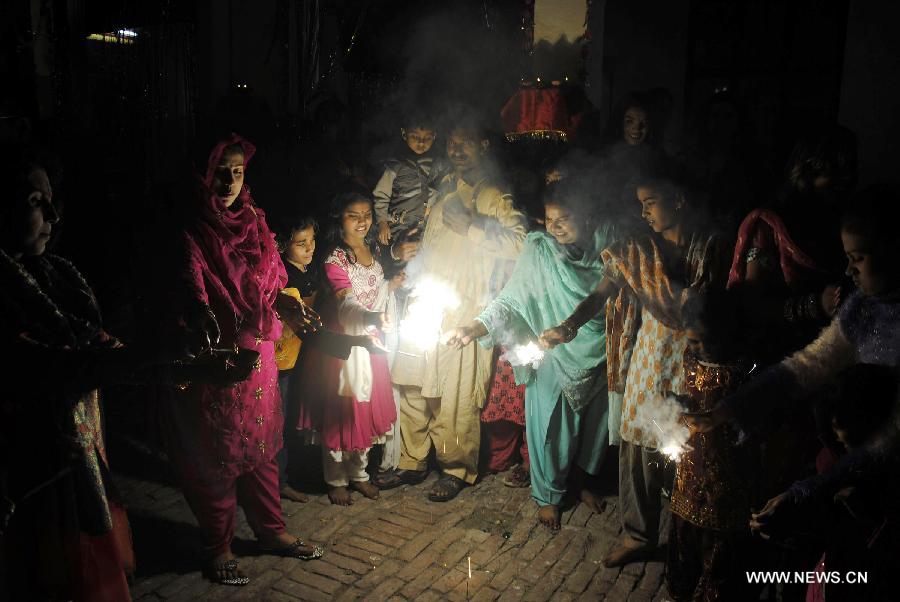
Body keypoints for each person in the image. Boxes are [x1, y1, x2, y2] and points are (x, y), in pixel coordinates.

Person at [686, 188, 900, 600]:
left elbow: (888, 441)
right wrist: (729, 409)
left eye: (859, 259)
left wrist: (807, 491)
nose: (849, 272)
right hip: (846, 458)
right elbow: (808, 366)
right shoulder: (862, 307)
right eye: (847, 259)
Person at [159, 133, 323, 587]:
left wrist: (288, 306)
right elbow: (190, 286)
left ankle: (271, 532)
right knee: (215, 456)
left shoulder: (253, 220)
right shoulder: (192, 229)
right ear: (202, 173)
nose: (230, 180)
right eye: (220, 170)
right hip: (217, 361)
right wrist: (200, 315)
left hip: (259, 360)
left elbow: (269, 286)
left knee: (263, 450)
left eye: (238, 170)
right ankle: (220, 547)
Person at [541, 168, 729, 565]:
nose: (644, 213)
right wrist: (569, 326)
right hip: (648, 357)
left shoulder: (711, 246)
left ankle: (687, 535)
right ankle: (639, 535)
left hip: (692, 358)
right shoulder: (637, 250)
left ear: (678, 199)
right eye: (640, 205)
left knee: (687, 449)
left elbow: (718, 306)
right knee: (637, 452)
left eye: (651, 203)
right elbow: (601, 293)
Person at [445, 179, 614, 528]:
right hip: (552, 348)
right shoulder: (539, 249)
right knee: (550, 425)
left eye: (564, 219)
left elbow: (600, 296)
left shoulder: (608, 242)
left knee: (596, 425)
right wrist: (473, 328)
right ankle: (548, 495)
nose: (554, 227)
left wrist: (570, 327)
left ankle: (581, 484)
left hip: (597, 342)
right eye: (549, 219)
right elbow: (510, 299)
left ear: (586, 214)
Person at [377, 111, 527, 501]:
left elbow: (522, 242)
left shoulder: (493, 195)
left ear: (483, 146)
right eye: (452, 142)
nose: (456, 149)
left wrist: (474, 228)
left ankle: (456, 468)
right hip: (427, 298)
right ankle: (411, 462)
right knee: (412, 381)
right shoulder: (444, 188)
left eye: (466, 142)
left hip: (466, 308)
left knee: (456, 393)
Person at [294, 190, 400, 506]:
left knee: (365, 410)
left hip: (371, 340)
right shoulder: (334, 259)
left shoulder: (374, 250)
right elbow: (347, 303)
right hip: (341, 346)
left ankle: (360, 475)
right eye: (354, 215)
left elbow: (377, 289)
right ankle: (336, 479)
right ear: (339, 218)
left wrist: (392, 288)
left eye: (367, 214)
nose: (363, 221)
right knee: (340, 411)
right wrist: (370, 317)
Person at [273, 216, 385, 503]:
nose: (309, 248)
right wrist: (356, 339)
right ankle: (276, 483)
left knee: (290, 419)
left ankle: (282, 479)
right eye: (301, 243)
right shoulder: (284, 279)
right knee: (280, 420)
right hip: (282, 359)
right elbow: (312, 330)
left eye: (312, 241)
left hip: (304, 353)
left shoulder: (308, 271)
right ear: (282, 245)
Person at [666, 291, 760, 601]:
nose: (702, 348)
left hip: (728, 463)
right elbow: (692, 395)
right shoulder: (689, 357)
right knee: (687, 530)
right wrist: (678, 404)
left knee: (719, 543)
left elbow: (753, 415)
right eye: (694, 342)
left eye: (709, 340)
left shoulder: (744, 368)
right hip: (692, 462)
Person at [373, 113, 444, 247]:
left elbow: (437, 193)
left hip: (426, 229)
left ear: (434, 136)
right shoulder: (395, 165)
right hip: (397, 228)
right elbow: (381, 194)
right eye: (415, 136)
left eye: (427, 138)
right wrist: (382, 222)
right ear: (404, 133)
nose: (421, 142)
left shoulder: (436, 165)